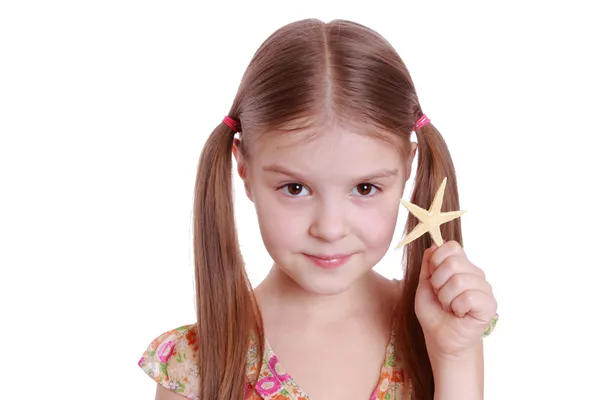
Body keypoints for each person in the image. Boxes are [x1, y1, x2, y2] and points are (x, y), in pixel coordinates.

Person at [138, 18, 498, 400]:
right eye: (295, 188)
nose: (329, 228)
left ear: (408, 166)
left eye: (364, 188)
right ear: (243, 167)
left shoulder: (439, 327)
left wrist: (454, 356)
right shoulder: (196, 363)